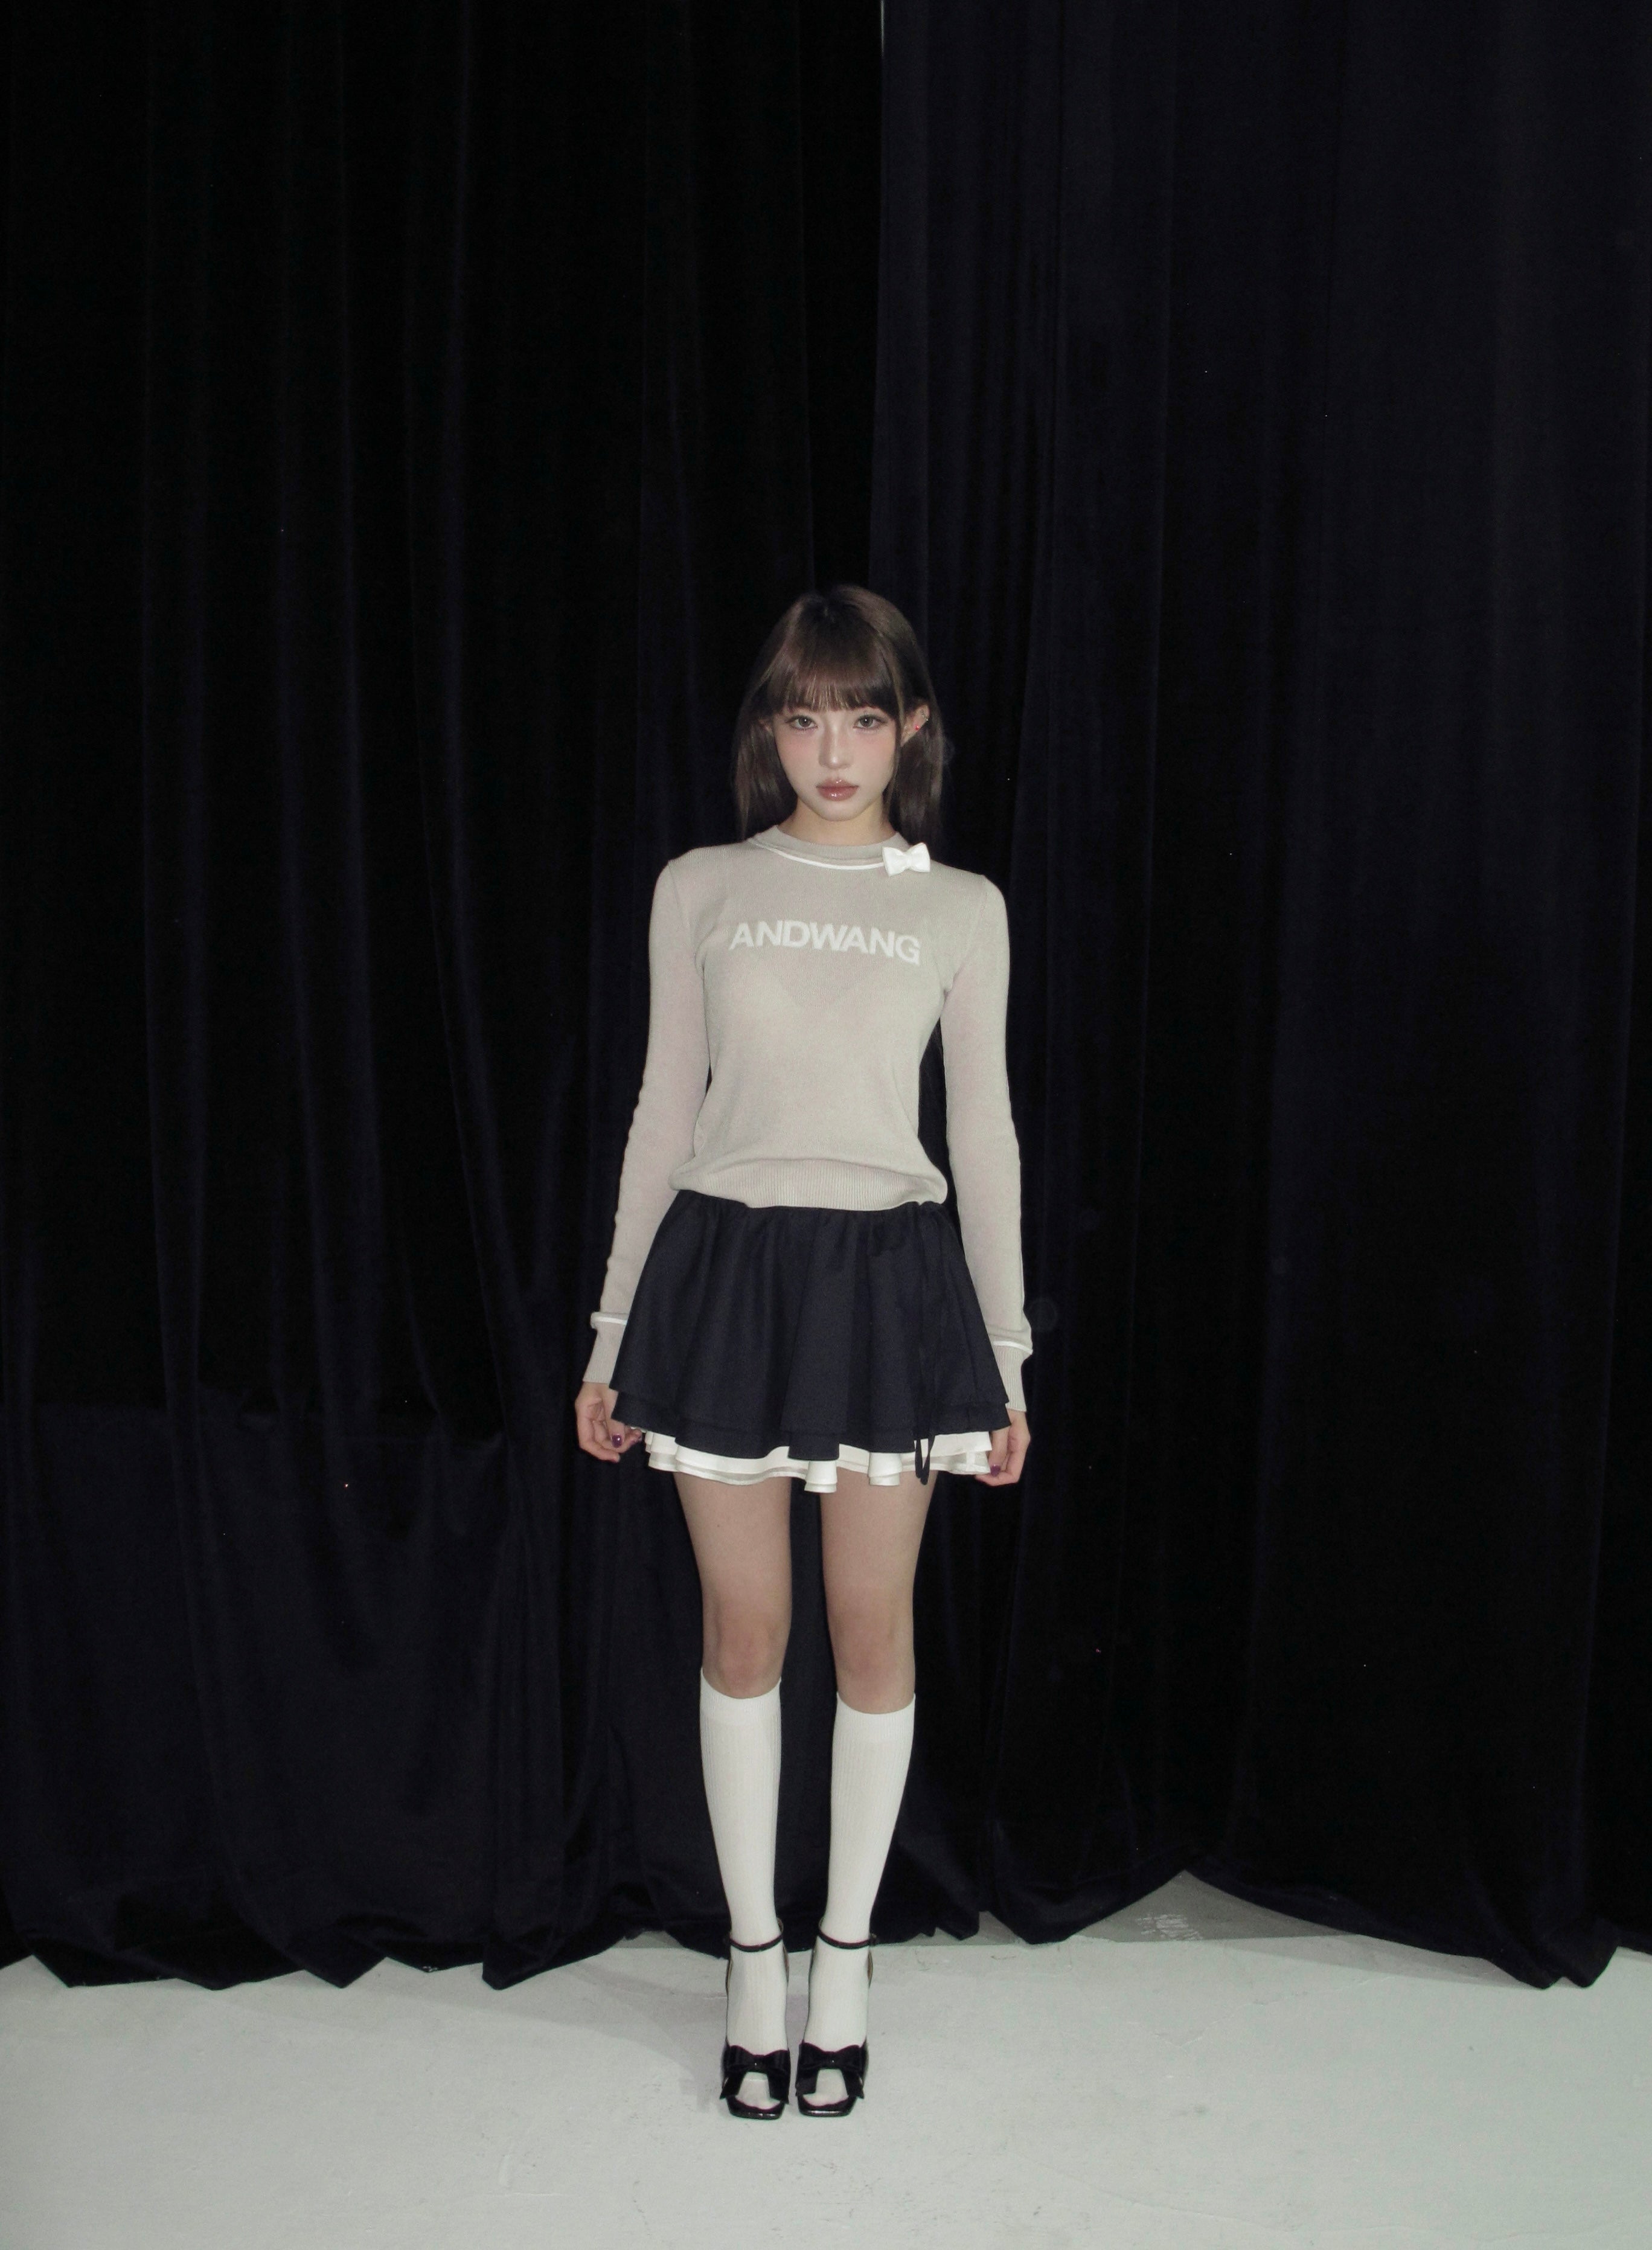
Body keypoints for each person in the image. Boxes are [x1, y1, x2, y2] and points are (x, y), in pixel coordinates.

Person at [574, 585, 1032, 2120]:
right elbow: (664, 1110)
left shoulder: (960, 906)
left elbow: (984, 1133)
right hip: (726, 1276)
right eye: (803, 715)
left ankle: (846, 1955)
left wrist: (1007, 1356)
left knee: (872, 1631)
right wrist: (613, 1334)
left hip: (892, 1282)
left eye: (862, 716)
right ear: (771, 729)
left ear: (911, 728)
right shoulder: (701, 886)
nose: (833, 750)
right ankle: (754, 1959)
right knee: (746, 1632)